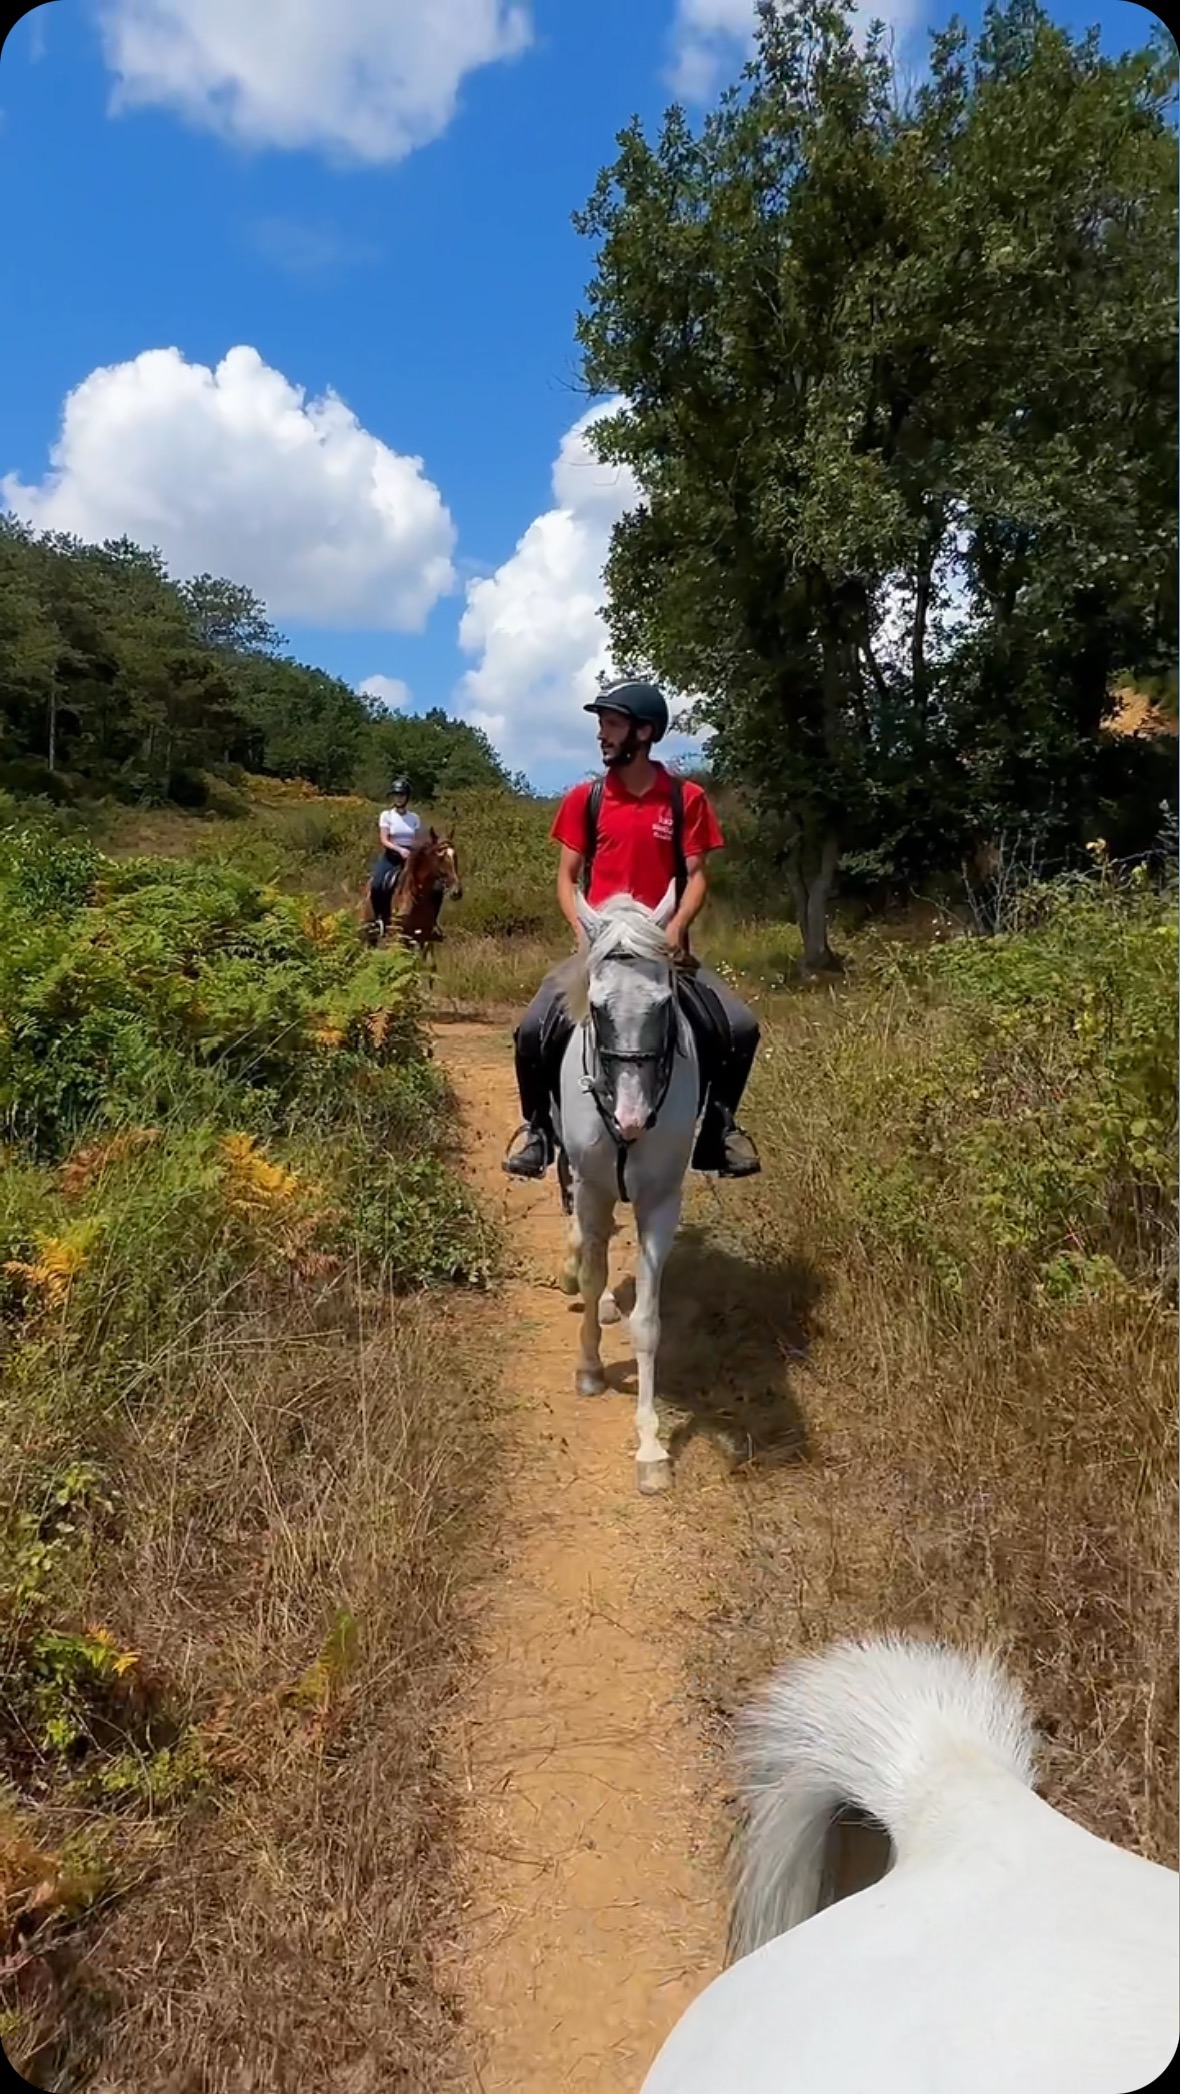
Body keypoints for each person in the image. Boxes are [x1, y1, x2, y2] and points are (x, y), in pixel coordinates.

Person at [503, 675, 761, 1181]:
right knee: (532, 1030)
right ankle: (537, 1130)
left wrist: (679, 925)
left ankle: (718, 1131)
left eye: (612, 724)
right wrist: (582, 929)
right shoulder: (586, 798)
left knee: (741, 1027)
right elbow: (566, 876)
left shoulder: (686, 799)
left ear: (644, 733)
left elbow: (697, 875)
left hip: (664, 954)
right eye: (602, 724)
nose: (602, 734)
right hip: (600, 951)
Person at [370, 778, 420, 931]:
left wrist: (414, 851)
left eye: (402, 795)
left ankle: (430, 922)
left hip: (410, 857)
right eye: (396, 795)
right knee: (377, 883)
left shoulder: (414, 818)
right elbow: (384, 839)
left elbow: (416, 840)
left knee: (433, 885)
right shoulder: (387, 815)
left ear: (407, 797)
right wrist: (399, 849)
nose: (399, 798)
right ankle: (380, 917)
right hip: (392, 856)